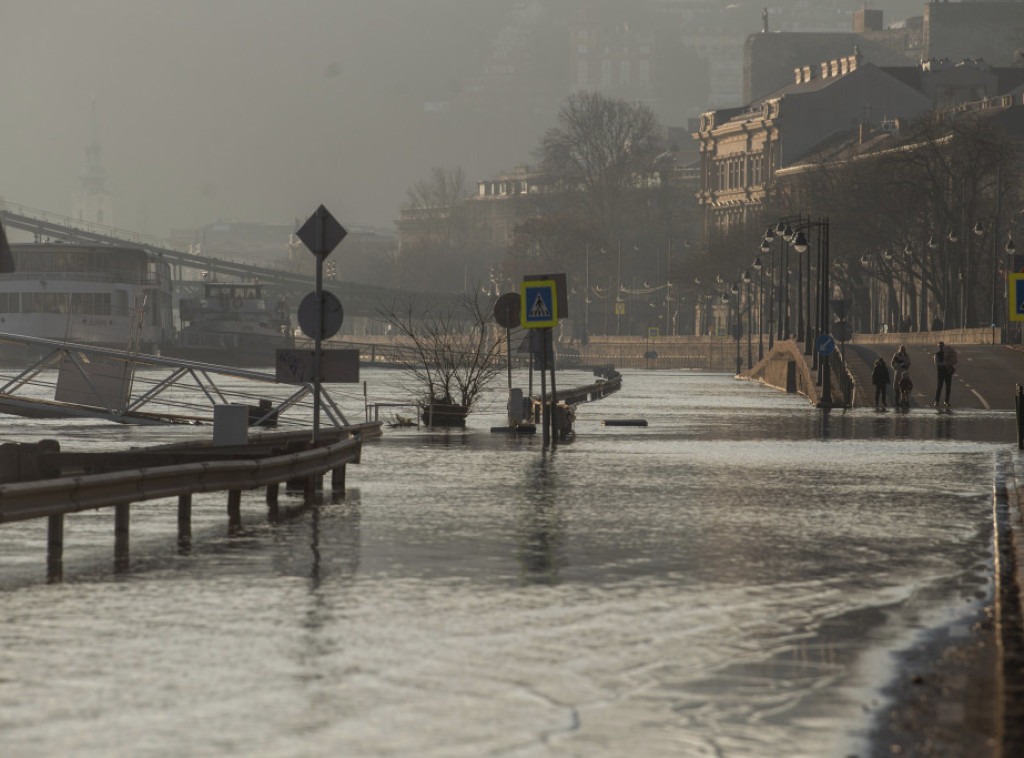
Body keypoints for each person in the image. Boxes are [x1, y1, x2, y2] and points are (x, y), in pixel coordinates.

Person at [932, 340, 956, 406]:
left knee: (948, 387)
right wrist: (945, 364)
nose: (941, 347)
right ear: (938, 347)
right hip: (941, 373)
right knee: (939, 387)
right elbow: (937, 363)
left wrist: (951, 365)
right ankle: (936, 401)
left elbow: (952, 360)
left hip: (948, 372)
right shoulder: (937, 354)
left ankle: (946, 401)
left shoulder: (947, 354)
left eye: (942, 346)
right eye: (940, 346)